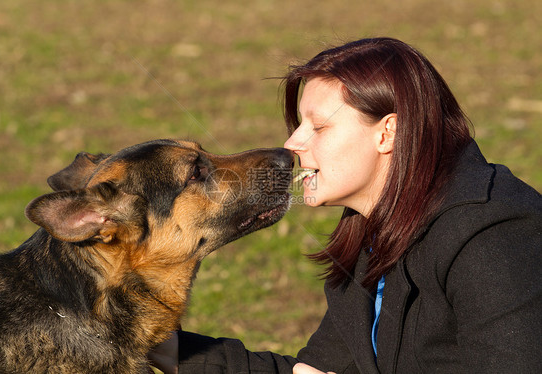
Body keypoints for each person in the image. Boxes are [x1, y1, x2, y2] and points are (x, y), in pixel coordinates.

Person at [148, 37, 542, 373]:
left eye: (318, 127)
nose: (292, 144)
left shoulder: (493, 237)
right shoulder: (373, 230)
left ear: (388, 132)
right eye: (299, 125)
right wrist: (161, 348)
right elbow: (318, 369)